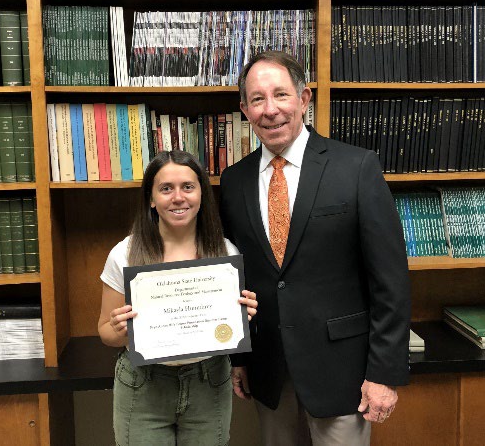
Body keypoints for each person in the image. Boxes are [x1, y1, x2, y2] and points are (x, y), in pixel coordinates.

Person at [219, 50, 410, 446]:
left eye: (281, 95)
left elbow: (390, 282)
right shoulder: (233, 182)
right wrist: (238, 357)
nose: (270, 110)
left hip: (344, 373)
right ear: (244, 109)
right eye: (257, 99)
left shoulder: (356, 168)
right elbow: (233, 277)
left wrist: (384, 374)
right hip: (269, 370)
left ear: (304, 98)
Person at [98, 150, 257, 446]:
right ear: (151, 198)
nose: (178, 197)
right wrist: (121, 329)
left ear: (201, 194)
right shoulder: (125, 254)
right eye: (166, 188)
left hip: (208, 382)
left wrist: (242, 319)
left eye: (188, 187)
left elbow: (231, 329)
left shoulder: (225, 254)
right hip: (143, 383)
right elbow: (105, 333)